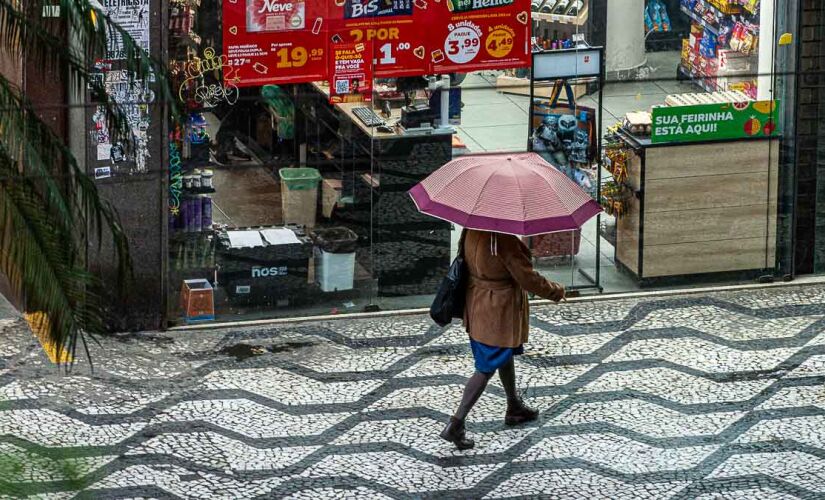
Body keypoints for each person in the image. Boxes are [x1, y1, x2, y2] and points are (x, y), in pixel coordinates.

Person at [440, 229, 565, 450]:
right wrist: (555, 291)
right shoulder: (503, 240)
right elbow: (527, 278)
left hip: (477, 304)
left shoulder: (471, 230)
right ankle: (456, 423)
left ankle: (513, 405)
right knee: (486, 367)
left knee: (503, 352)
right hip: (498, 311)